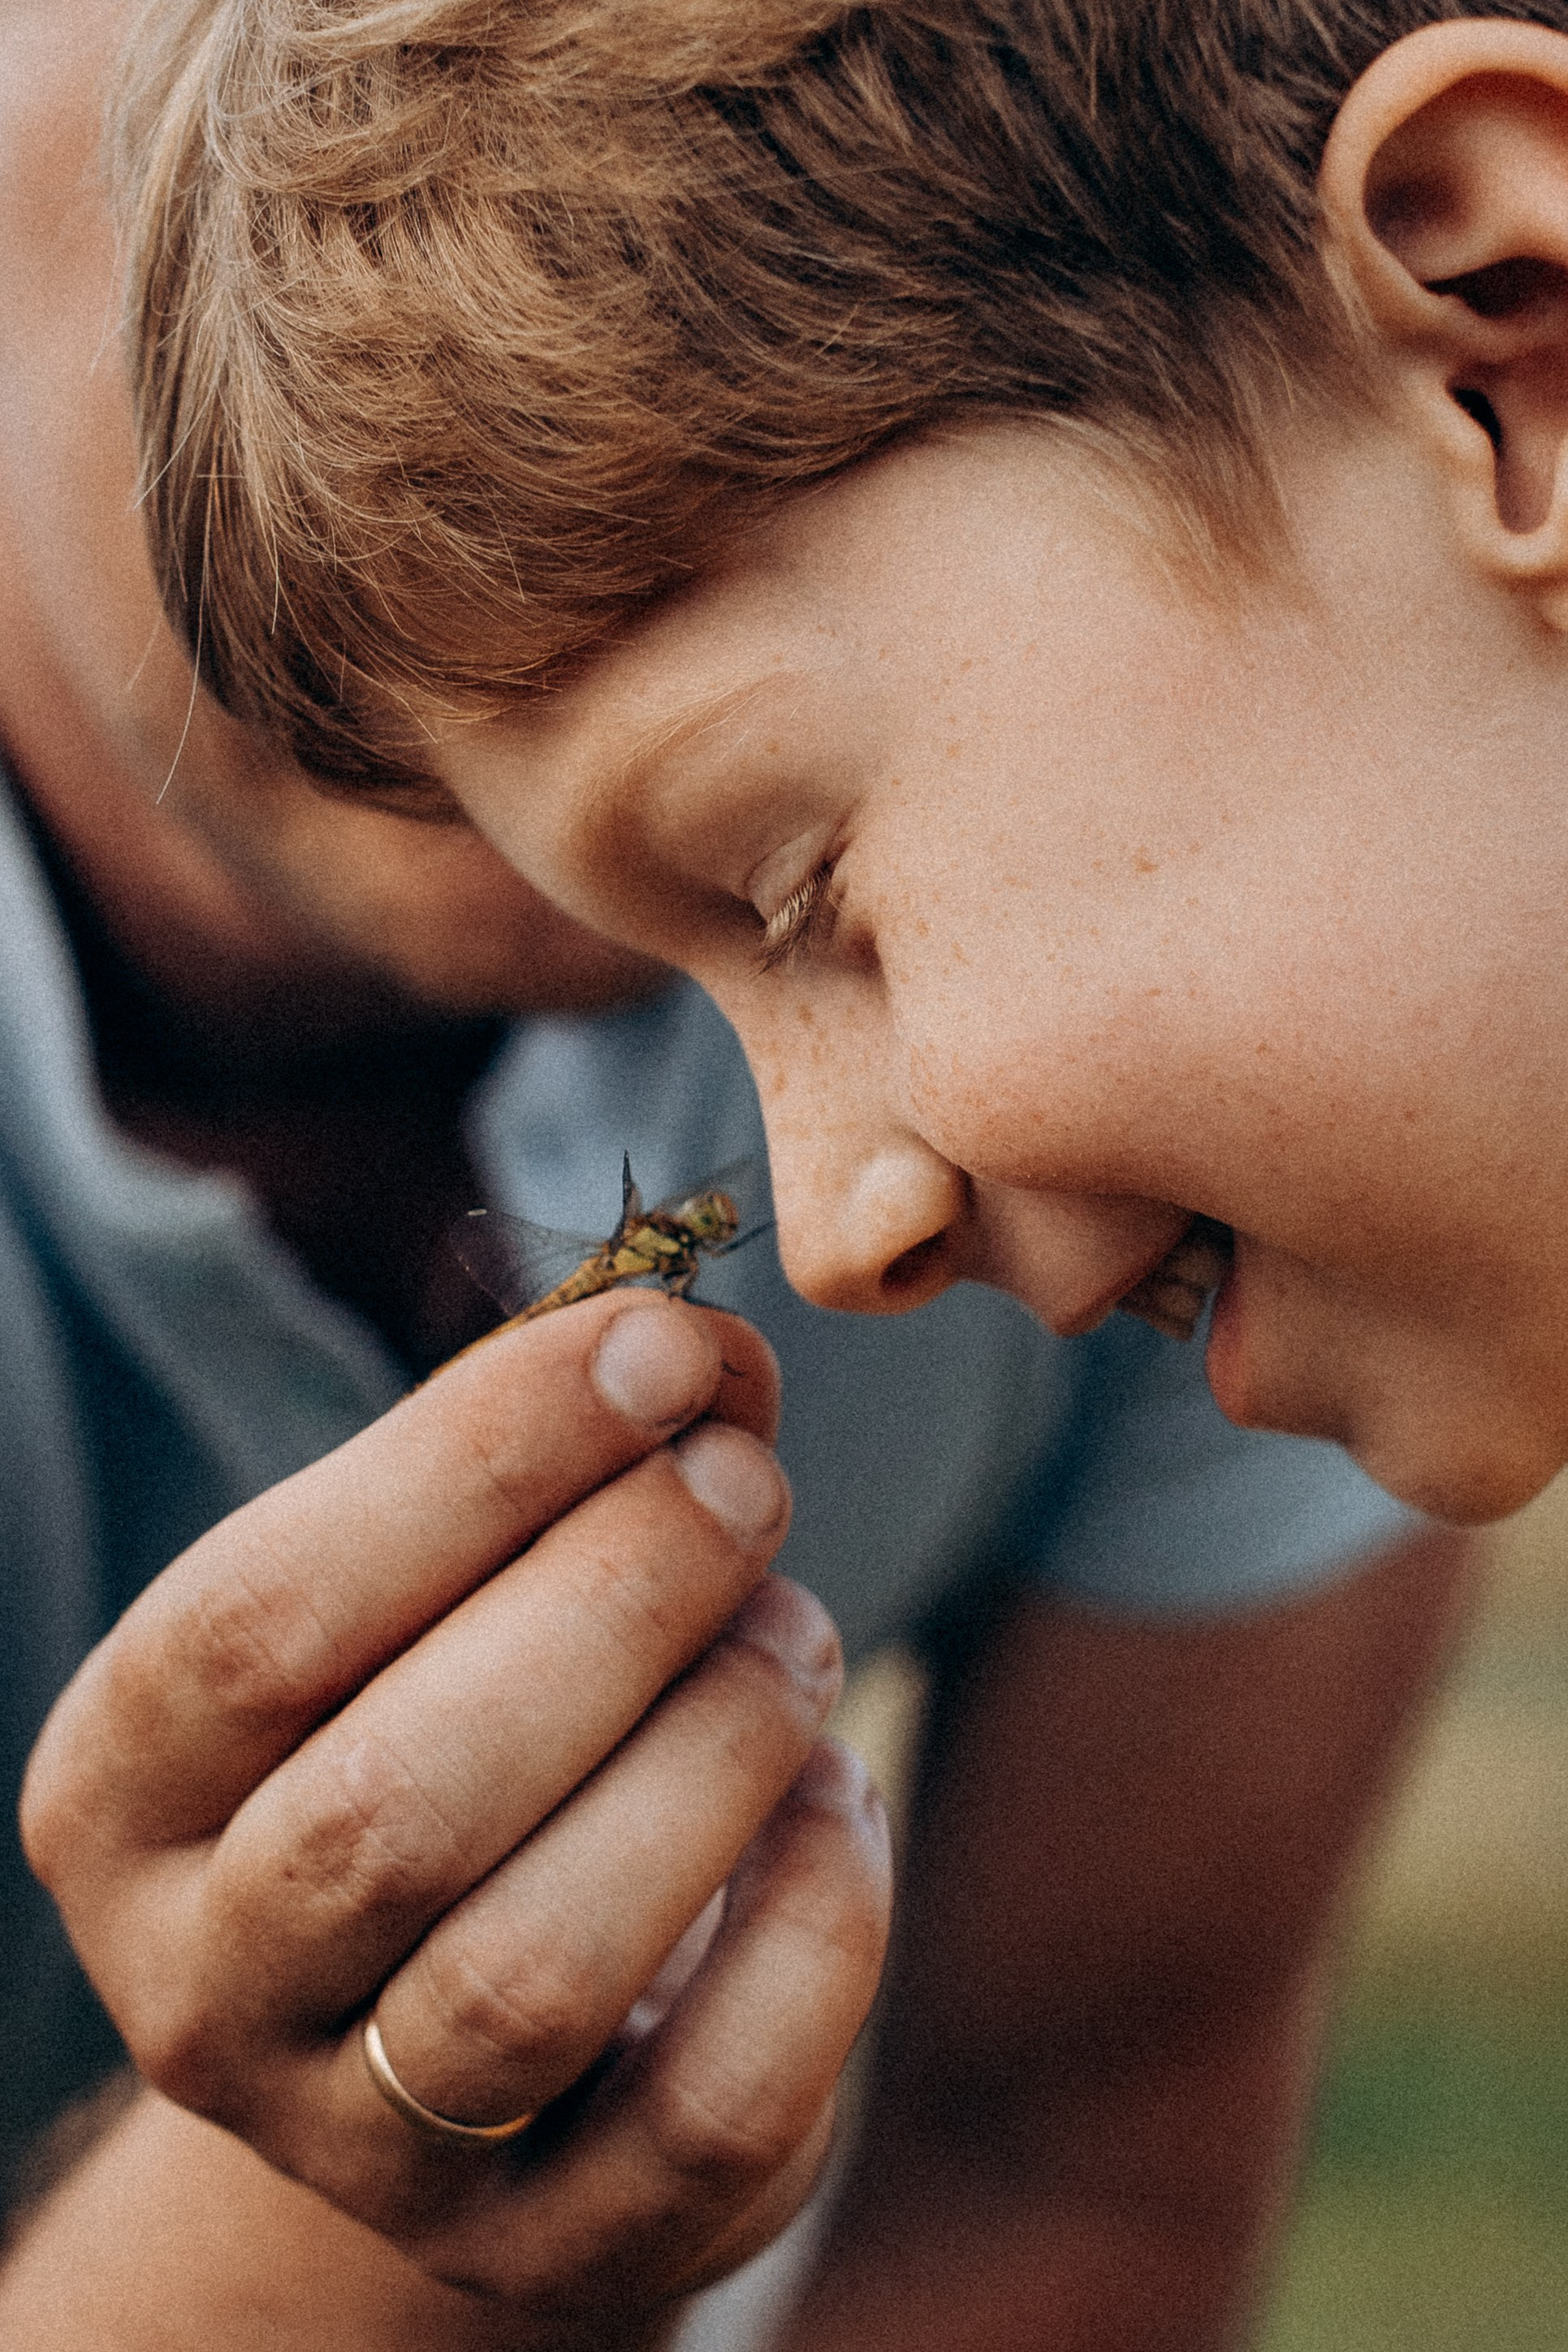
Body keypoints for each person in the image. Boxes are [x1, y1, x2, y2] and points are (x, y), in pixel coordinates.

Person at [0, 2, 1481, 2347]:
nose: (847, 1221)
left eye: (793, 882)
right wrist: (332, 2197)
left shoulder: (1235, 997)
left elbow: (1064, 2168)